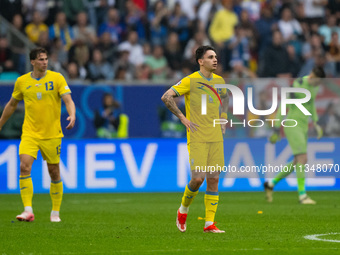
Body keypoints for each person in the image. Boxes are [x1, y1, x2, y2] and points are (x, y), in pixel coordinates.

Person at [0, 48, 76, 222]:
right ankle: (28, 210)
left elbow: (68, 100)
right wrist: (0, 124)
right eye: (41, 59)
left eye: (46, 59)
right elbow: (12, 105)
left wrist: (72, 114)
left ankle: (55, 212)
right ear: (32, 62)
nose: (45, 62)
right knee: (24, 167)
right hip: (30, 133)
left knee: (54, 172)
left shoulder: (57, 78)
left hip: (52, 134)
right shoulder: (22, 81)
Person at [161, 45, 229, 233]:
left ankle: (209, 224)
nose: (215, 60)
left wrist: (223, 117)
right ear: (201, 61)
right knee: (198, 179)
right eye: (210, 57)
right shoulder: (190, 81)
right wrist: (182, 117)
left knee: (213, 179)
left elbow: (227, 97)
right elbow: (166, 97)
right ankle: (183, 210)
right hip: (197, 136)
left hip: (215, 137)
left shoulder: (219, 80)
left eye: (216, 56)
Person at [265, 66, 326, 205]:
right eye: (317, 81)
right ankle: (302, 195)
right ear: (312, 76)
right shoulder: (297, 85)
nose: (317, 85)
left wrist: (316, 123)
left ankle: (270, 184)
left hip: (303, 127)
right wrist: (276, 127)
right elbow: (283, 105)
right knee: (302, 158)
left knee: (297, 161)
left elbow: (311, 105)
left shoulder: (314, 88)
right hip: (293, 125)